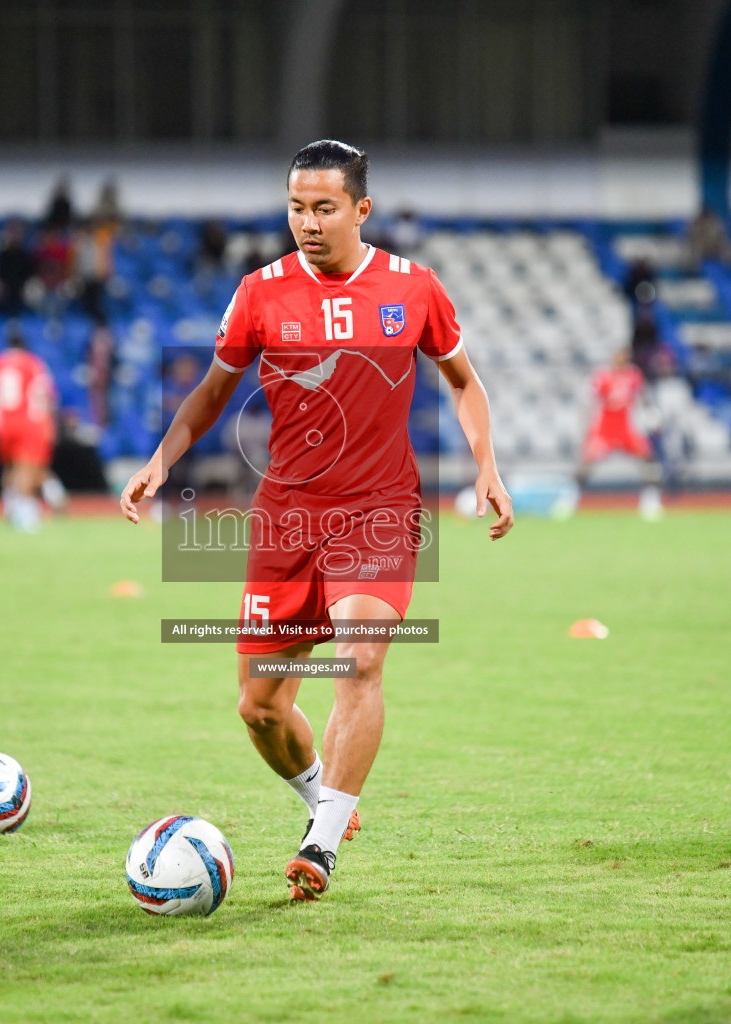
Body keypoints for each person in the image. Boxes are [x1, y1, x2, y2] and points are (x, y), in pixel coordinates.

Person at [119, 140, 514, 901]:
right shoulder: (260, 294)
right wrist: (160, 460)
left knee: (360, 663)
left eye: (324, 207)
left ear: (360, 210)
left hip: (378, 509)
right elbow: (211, 391)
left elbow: (465, 384)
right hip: (287, 520)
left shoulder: (413, 288)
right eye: (296, 207)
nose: (307, 221)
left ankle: (321, 846)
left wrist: (485, 464)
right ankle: (325, 799)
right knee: (261, 708)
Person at [0, 326, 63, 532]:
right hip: (30, 422)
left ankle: (12, 507)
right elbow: (47, 396)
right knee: (28, 467)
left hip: (5, 424)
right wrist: (50, 425)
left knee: (11, 467)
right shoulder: (33, 363)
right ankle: (28, 511)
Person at [567, 347, 663, 519]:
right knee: (585, 464)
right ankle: (571, 499)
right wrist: (586, 427)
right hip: (605, 428)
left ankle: (650, 500)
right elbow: (587, 401)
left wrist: (650, 414)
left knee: (648, 458)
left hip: (626, 426)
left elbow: (643, 397)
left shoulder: (634, 375)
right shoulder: (602, 376)